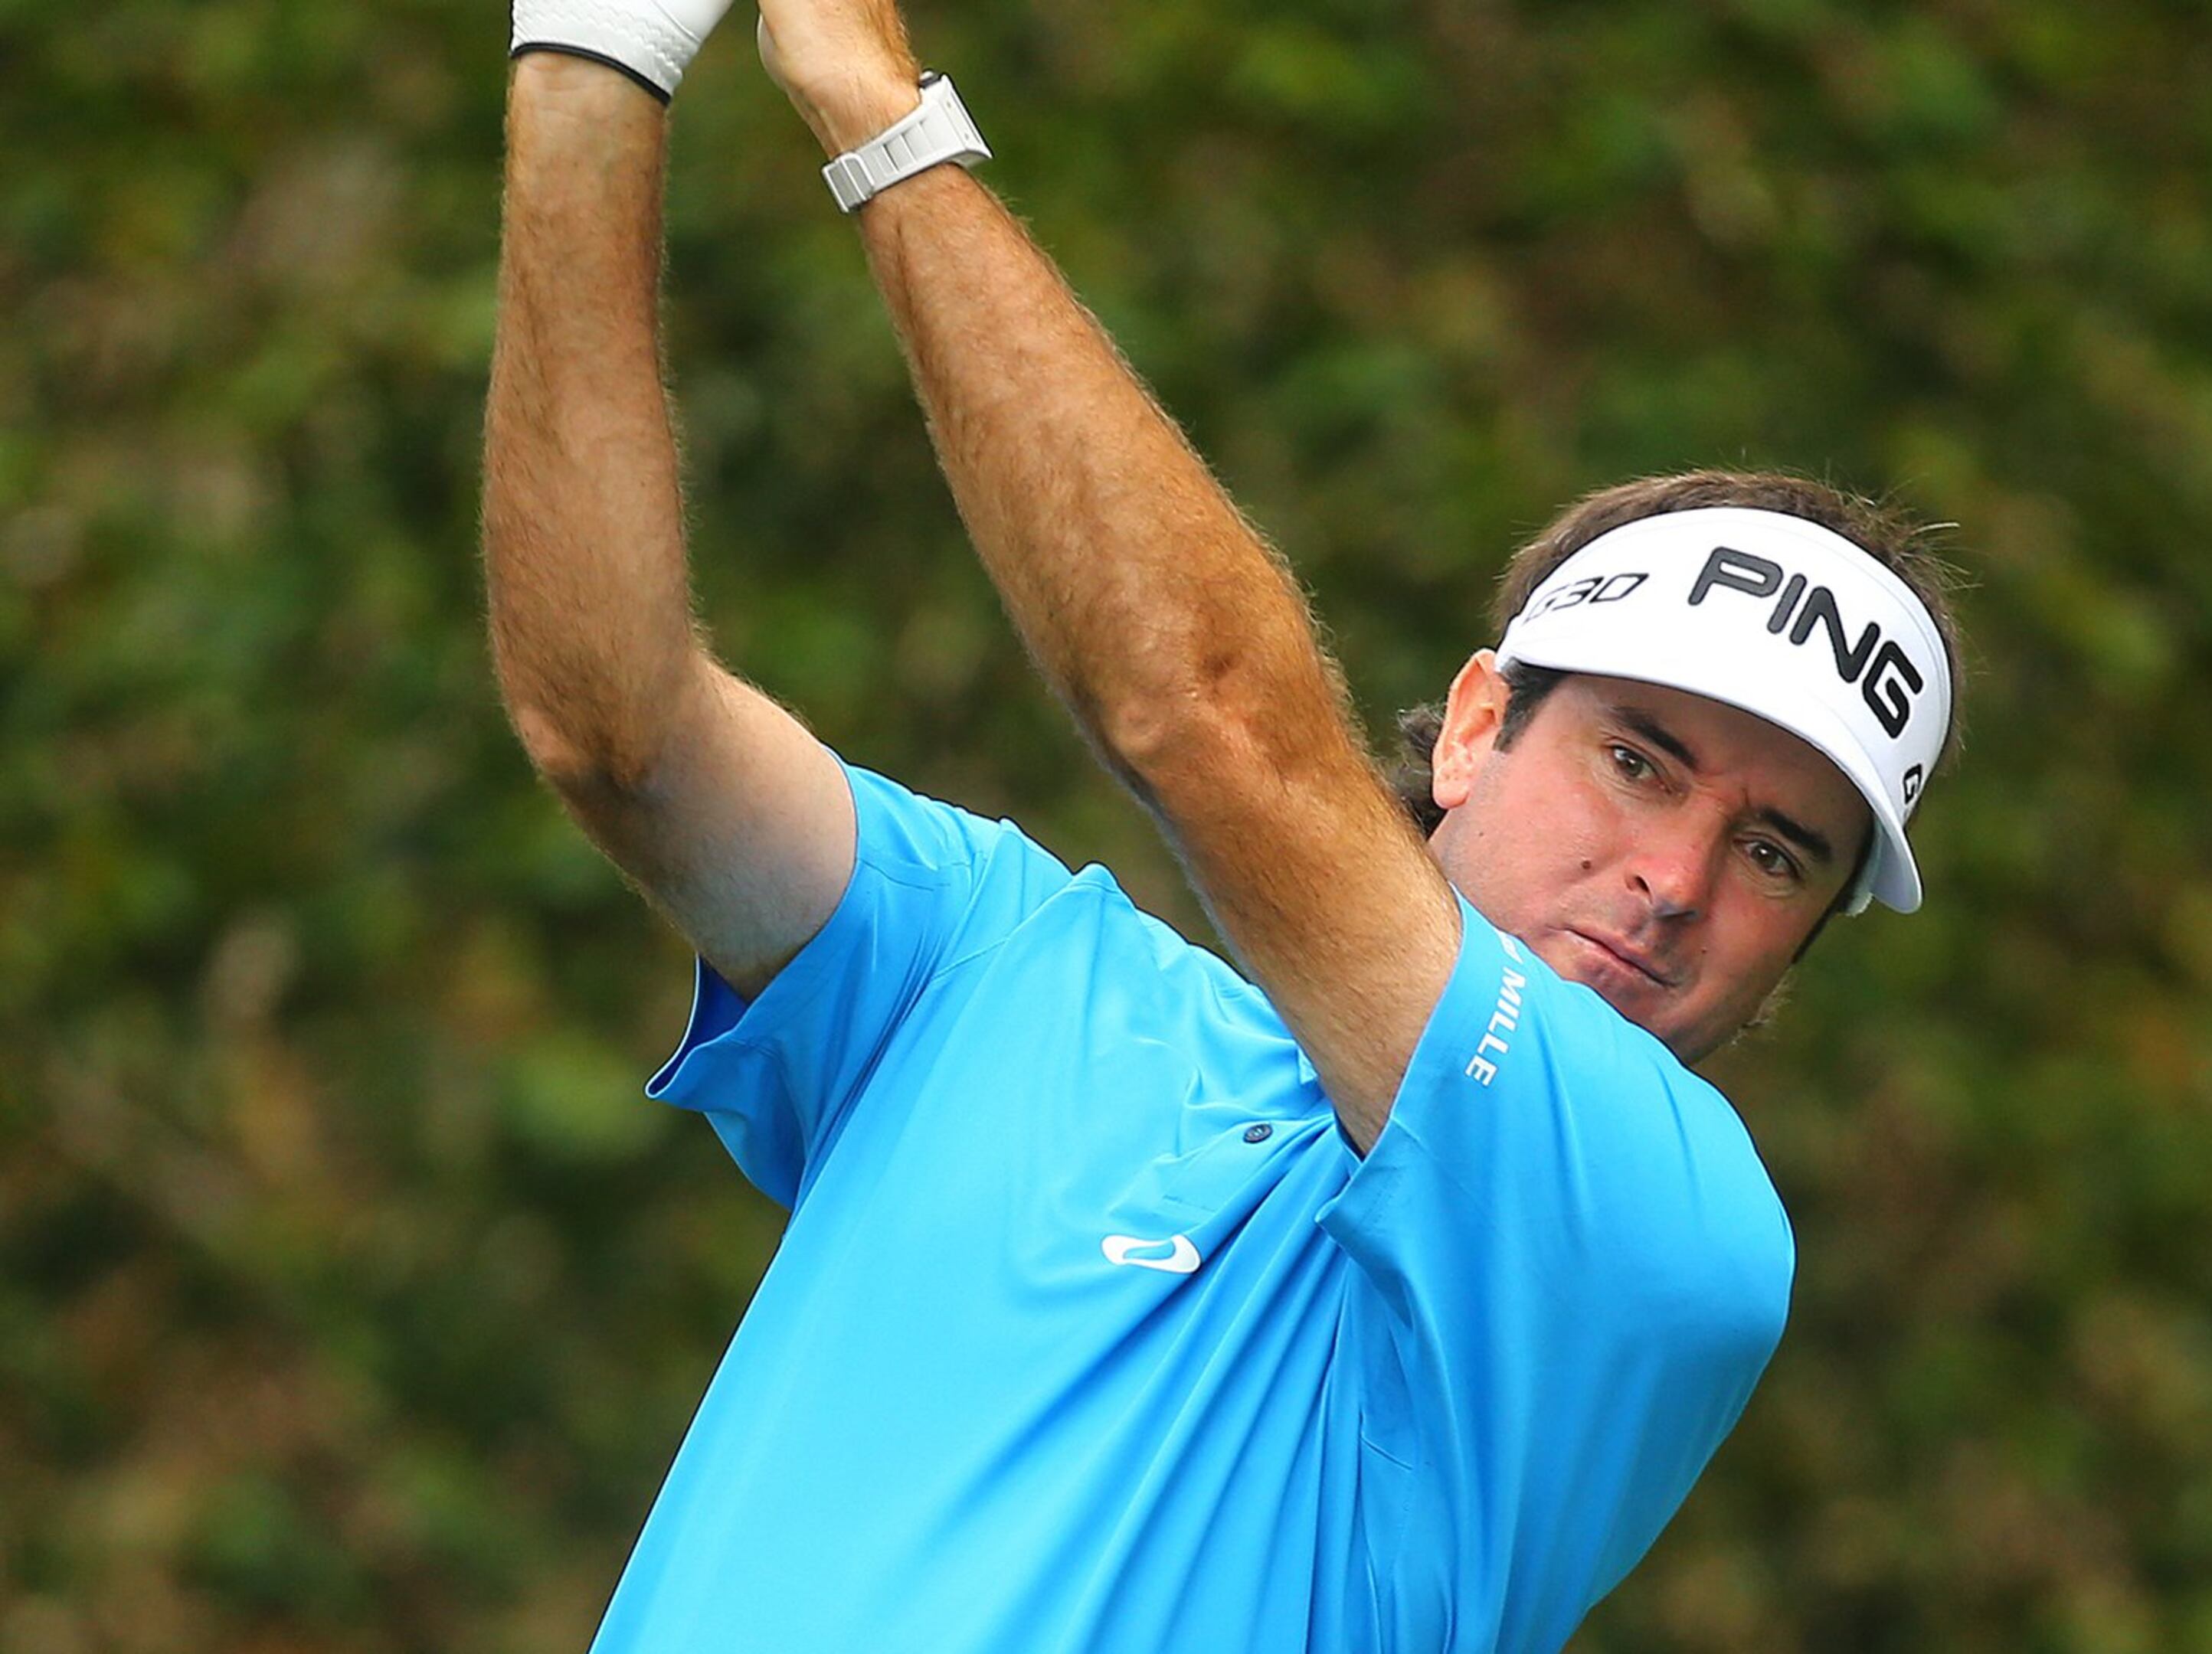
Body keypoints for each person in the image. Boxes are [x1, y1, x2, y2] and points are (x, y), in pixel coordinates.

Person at [481, 0, 1962, 1646]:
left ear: (1803, 947)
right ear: (1478, 726)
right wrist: (596, 61)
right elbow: (616, 730)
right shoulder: (997, 960)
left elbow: (1209, 721)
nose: (1677, 881)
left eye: (1777, 855)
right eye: (1641, 760)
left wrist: (876, 116)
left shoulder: (1663, 1230)